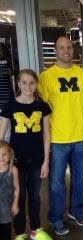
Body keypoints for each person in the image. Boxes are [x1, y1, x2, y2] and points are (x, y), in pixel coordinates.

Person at [38, 36, 83, 235]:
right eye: (62, 48)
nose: (66, 51)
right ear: (55, 50)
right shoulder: (46, 77)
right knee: (56, 183)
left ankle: (76, 211)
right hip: (57, 139)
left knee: (80, 180)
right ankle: (56, 217)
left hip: (80, 137)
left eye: (69, 47)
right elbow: (40, 109)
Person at [0, 69, 52, 240]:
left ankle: (35, 229)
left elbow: (46, 134)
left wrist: (46, 161)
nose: (28, 86)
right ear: (18, 84)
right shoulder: (10, 106)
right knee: (20, 196)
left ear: (36, 84)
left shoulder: (42, 106)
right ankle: (20, 232)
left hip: (37, 159)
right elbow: (1, 136)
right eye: (24, 82)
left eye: (31, 82)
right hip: (17, 161)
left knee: (35, 196)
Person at [0, 140, 19, 240]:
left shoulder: (13, 170)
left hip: (7, 208)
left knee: (6, 233)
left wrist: (15, 204)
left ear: (9, 154)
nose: (1, 158)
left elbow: (16, 187)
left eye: (4, 154)